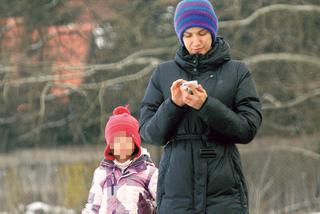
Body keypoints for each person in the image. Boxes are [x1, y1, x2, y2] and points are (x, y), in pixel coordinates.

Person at [139, 0, 262, 213]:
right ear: (180, 36)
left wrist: (206, 105)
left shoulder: (237, 71)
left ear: (213, 32)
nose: (196, 42)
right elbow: (150, 134)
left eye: (202, 33)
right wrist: (174, 105)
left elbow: (247, 128)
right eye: (188, 35)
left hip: (224, 194)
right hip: (176, 193)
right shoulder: (162, 73)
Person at [82, 105, 158, 214]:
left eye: (127, 140)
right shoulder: (101, 173)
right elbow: (92, 207)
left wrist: (149, 208)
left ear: (135, 144)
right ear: (110, 145)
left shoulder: (149, 173)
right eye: (117, 141)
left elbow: (164, 204)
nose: (122, 145)